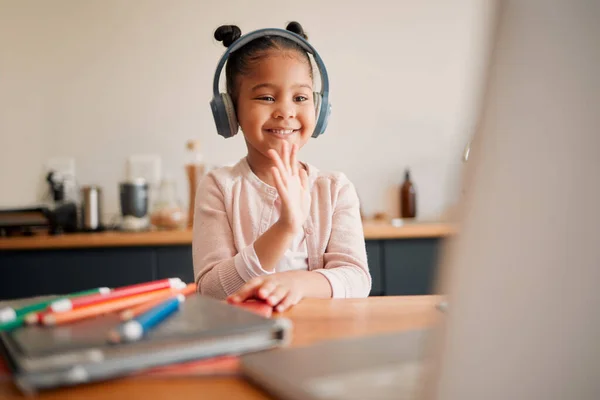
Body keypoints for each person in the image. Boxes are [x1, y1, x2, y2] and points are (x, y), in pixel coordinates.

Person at [193, 21, 371, 312]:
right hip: (244, 337)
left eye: (300, 97)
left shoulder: (335, 189)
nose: (286, 111)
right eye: (267, 97)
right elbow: (211, 291)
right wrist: (286, 227)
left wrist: (298, 283)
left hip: (319, 341)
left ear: (319, 108)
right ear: (230, 111)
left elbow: (357, 279)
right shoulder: (219, 187)